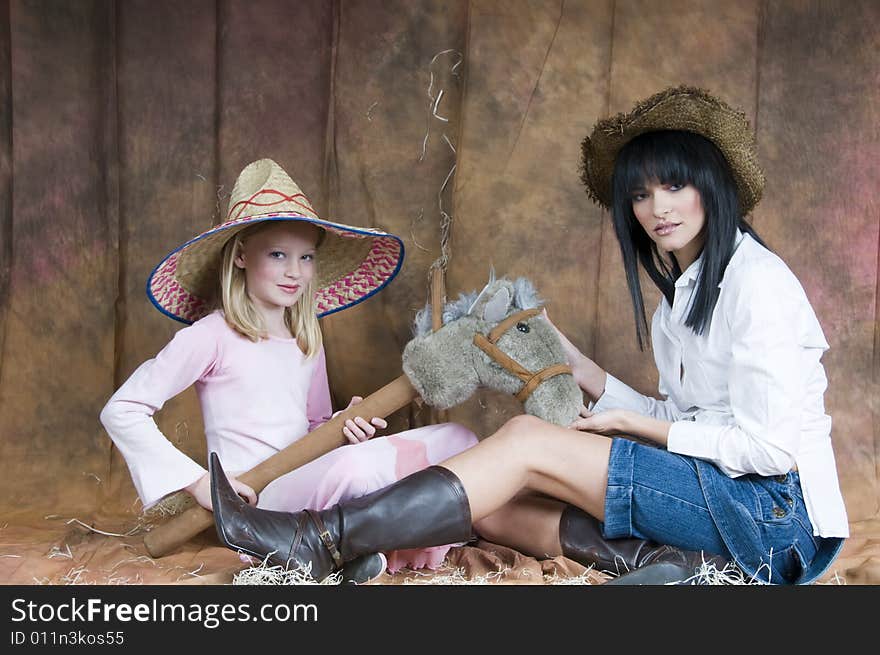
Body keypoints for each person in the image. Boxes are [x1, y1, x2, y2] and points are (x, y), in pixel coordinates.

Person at [207, 87, 849, 585]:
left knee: (519, 444)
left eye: (675, 185)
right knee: (488, 500)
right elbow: (683, 417)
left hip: (773, 521)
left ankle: (311, 541)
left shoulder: (755, 284)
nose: (658, 209)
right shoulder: (680, 298)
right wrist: (576, 363)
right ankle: (669, 564)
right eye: (641, 195)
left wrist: (637, 430)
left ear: (712, 185)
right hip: (718, 496)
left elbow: (769, 452)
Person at [100, 158, 478, 583]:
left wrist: (340, 427)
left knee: (460, 439)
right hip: (261, 500)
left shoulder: (307, 336)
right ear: (241, 256)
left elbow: (313, 427)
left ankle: (351, 549)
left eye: (306, 257)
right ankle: (316, 543)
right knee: (357, 472)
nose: (295, 272)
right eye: (278, 254)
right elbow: (122, 410)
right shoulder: (212, 335)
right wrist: (200, 484)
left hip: (313, 474)